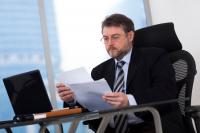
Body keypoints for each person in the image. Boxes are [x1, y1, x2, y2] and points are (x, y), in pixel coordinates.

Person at [56, 14, 186, 133]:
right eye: (106, 39)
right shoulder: (99, 71)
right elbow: (92, 104)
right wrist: (72, 99)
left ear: (130, 36)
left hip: (151, 125)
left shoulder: (155, 57)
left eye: (115, 37)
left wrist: (129, 101)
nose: (110, 44)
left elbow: (166, 91)